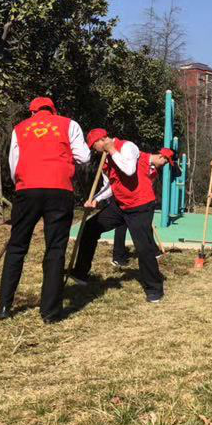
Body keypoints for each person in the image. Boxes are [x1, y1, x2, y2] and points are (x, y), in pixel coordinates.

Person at [0, 97, 91, 323]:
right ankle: (50, 312)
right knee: (55, 248)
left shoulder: (20, 128)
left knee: (17, 246)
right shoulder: (69, 124)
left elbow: (14, 164)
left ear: (32, 112)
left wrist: (22, 185)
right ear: (53, 110)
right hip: (59, 189)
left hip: (27, 189)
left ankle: (4, 306)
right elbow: (84, 157)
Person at [70, 129, 168, 303]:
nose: (94, 151)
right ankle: (81, 273)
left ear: (101, 140)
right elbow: (111, 185)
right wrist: (95, 199)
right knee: (90, 228)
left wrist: (113, 150)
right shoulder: (106, 157)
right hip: (120, 205)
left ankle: (154, 288)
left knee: (143, 246)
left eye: (94, 146)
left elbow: (129, 170)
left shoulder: (128, 147)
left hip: (140, 204)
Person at [111, 148, 177, 269]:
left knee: (145, 225)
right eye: (166, 161)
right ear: (161, 157)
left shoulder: (154, 169)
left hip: (140, 201)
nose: (165, 165)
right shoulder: (139, 158)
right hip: (124, 198)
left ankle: (153, 251)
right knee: (121, 226)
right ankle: (118, 256)